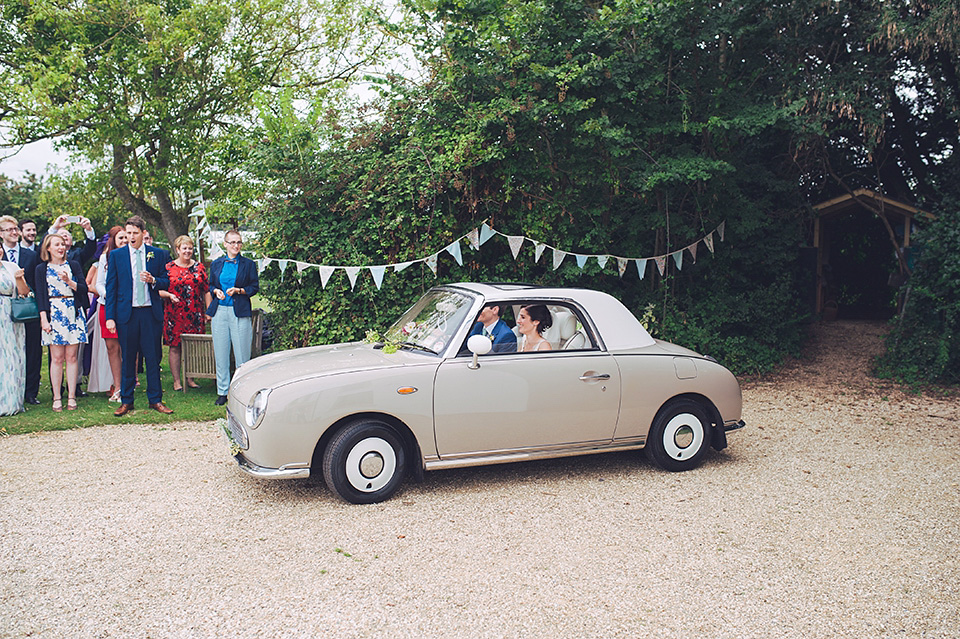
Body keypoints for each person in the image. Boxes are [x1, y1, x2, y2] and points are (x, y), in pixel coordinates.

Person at [104, 216, 173, 416]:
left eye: (135, 233)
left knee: (153, 358)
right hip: (127, 314)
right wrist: (110, 316)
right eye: (128, 234)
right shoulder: (117, 255)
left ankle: (155, 400)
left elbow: (166, 282)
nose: (131, 237)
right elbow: (112, 287)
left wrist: (153, 280)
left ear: (143, 233)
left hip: (150, 313)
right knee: (128, 358)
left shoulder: (158, 254)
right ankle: (127, 401)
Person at [35, 234, 89, 412]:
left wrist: (69, 281)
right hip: (53, 312)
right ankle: (57, 396)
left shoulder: (73, 265)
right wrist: (44, 318)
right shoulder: (41, 269)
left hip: (71, 311)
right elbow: (41, 295)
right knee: (57, 358)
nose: (61, 247)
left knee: (72, 357)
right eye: (56, 244)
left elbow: (83, 288)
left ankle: (72, 396)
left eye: (63, 244)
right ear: (48, 248)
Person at [207, 229, 258, 406]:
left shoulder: (248, 264)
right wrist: (216, 291)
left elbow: (254, 287)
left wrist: (239, 291)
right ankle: (222, 391)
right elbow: (211, 284)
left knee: (242, 354)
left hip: (240, 311)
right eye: (232, 242)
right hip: (219, 311)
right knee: (221, 353)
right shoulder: (216, 264)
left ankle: (243, 391)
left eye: (238, 242)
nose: (236, 245)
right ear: (225, 244)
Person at [161, 235, 210, 391]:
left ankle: (190, 378)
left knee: (192, 346)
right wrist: (169, 295)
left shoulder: (199, 267)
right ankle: (177, 381)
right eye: (184, 248)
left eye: (190, 248)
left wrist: (208, 311)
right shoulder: (168, 267)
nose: (187, 251)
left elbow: (206, 290)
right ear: (177, 250)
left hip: (195, 313)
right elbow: (159, 289)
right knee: (175, 347)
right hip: (174, 313)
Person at [0, 216, 41, 405]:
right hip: (5, 313)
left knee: (31, 350)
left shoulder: (30, 255)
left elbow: (36, 284)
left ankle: (30, 392)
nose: (14, 232)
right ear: (1, 234)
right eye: (9, 230)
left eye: (16, 229)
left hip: (27, 309)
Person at [90, 227, 127, 400]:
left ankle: (129, 384)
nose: (125, 241)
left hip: (127, 307)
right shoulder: (105, 257)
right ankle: (117, 387)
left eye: (127, 238)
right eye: (121, 238)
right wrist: (111, 295)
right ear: (113, 240)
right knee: (112, 348)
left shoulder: (132, 256)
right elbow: (99, 284)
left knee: (128, 347)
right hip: (107, 305)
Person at [0, 235, 31, 415]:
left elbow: (25, 292)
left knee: (13, 355)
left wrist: (19, 278)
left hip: (11, 316)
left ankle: (12, 401)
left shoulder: (11, 266)